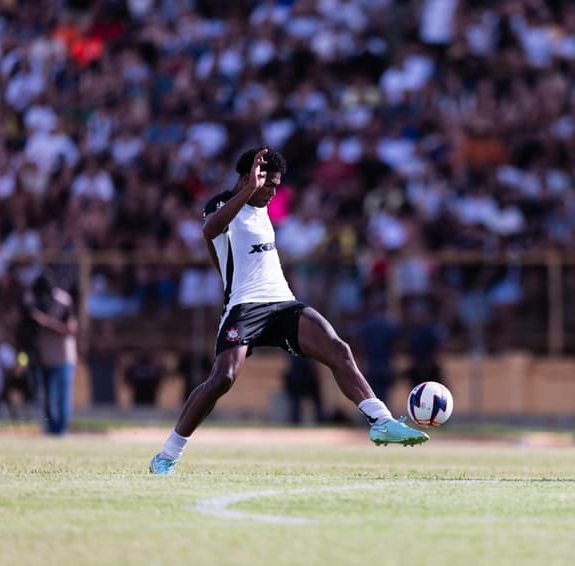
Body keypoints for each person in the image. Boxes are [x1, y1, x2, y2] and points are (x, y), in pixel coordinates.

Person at [149, 148, 427, 475]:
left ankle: (381, 421)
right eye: (269, 185)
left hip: (281, 302)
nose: (273, 193)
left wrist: (259, 193)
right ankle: (168, 455)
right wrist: (250, 190)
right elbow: (210, 231)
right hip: (244, 306)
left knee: (338, 349)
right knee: (222, 378)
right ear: (248, 177)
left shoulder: (266, 210)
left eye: (276, 186)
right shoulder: (222, 205)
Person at [25, 275, 78, 436]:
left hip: (63, 357)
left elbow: (71, 329)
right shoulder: (34, 301)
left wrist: (46, 322)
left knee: (61, 398)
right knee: (48, 398)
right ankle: (50, 430)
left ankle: (60, 431)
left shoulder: (63, 301)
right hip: (44, 357)